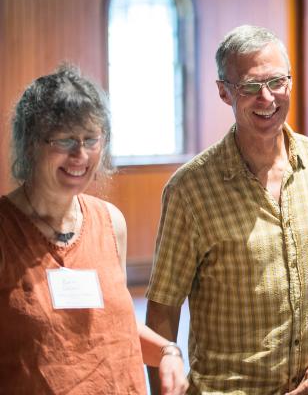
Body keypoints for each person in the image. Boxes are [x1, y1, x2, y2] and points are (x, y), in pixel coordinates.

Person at [145, 25, 308, 394]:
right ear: (224, 92)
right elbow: (162, 310)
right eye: (250, 87)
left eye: (277, 82)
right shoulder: (190, 190)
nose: (267, 98)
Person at [0, 65, 189, 394]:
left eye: (91, 139)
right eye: (64, 140)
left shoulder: (110, 221)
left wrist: (167, 352)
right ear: (30, 144)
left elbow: (114, 324)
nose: (80, 154)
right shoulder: (6, 229)